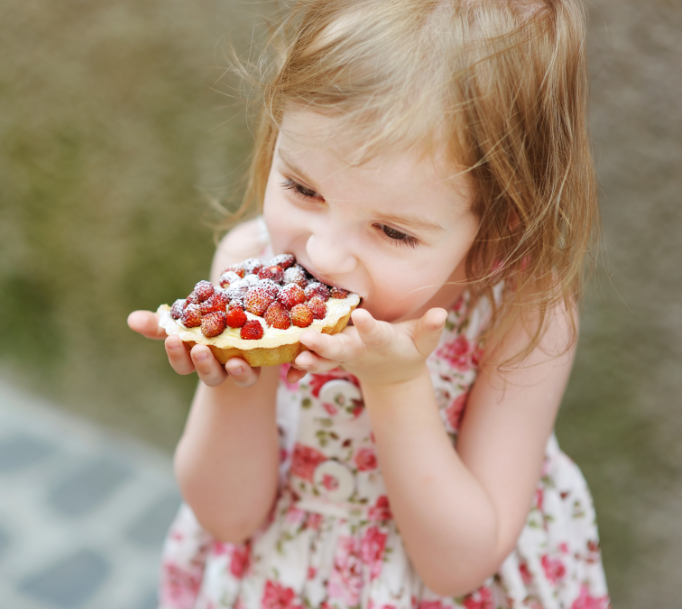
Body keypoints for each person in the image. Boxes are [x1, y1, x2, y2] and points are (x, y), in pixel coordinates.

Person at [128, 0, 610, 607]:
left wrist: (396, 384)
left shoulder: (524, 316)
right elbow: (227, 519)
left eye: (393, 232)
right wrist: (234, 377)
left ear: (500, 224)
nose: (324, 255)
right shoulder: (247, 265)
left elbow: (458, 565)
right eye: (304, 189)